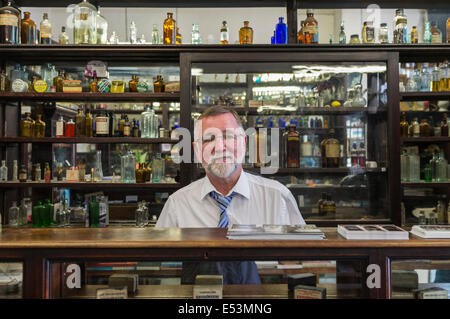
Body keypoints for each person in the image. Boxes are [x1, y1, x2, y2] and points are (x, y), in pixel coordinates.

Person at [156, 105, 305, 284]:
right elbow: (162, 269)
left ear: (243, 144)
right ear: (196, 150)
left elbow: (301, 263)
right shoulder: (178, 205)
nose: (219, 147)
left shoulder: (277, 197)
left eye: (228, 136)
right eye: (209, 139)